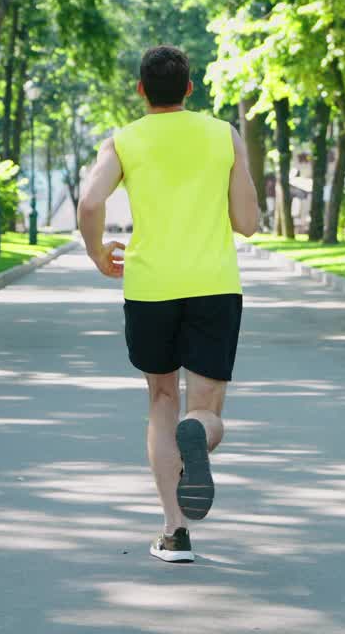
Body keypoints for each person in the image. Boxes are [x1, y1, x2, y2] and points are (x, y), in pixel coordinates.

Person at [77, 45, 259, 564]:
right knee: (205, 410)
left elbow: (91, 203)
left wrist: (96, 252)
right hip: (214, 285)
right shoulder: (223, 134)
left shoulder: (123, 140)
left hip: (150, 286)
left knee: (161, 401)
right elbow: (246, 222)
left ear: (140, 90)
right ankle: (197, 435)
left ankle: (174, 533)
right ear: (189, 88)